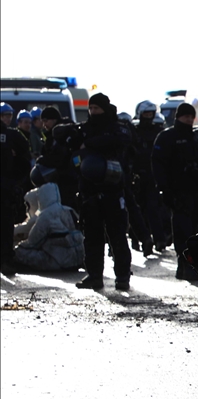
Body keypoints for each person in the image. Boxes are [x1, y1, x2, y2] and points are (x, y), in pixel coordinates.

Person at [72, 93, 133, 291]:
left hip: (112, 191)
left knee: (117, 235)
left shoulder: (117, 127)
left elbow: (122, 140)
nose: (93, 112)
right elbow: (72, 146)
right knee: (92, 236)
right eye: (91, 109)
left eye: (96, 108)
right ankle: (95, 276)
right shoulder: (85, 128)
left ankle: (122, 277)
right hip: (89, 191)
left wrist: (91, 143)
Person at [152, 102, 198, 281]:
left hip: (196, 191)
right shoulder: (167, 137)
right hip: (177, 193)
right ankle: (185, 266)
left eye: (192, 117)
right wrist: (165, 190)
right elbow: (158, 165)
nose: (189, 120)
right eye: (186, 117)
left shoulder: (196, 136)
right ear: (178, 117)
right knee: (183, 232)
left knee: (196, 231)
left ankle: (192, 266)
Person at [13, 182, 84, 271]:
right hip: (78, 259)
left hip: (58, 261)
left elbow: (33, 242)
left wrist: (18, 245)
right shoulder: (69, 210)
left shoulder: (45, 215)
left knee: (17, 251)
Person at [132, 100, 168, 252]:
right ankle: (138, 238)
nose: (148, 117)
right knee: (136, 208)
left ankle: (159, 239)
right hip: (136, 175)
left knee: (153, 208)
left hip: (152, 175)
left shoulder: (158, 131)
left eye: (150, 114)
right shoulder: (134, 131)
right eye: (145, 114)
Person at [1, 103, 32, 276]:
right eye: (4, 115)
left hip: (5, 190)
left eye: (9, 115)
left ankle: (5, 260)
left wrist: (14, 181)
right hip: (7, 187)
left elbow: (25, 158)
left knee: (6, 227)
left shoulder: (12, 136)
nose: (6, 118)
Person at [36, 107, 79, 212]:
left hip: (66, 178)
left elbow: (58, 158)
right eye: (42, 121)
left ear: (54, 119)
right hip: (66, 177)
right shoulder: (56, 134)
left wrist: (42, 160)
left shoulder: (61, 135)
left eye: (46, 121)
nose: (44, 124)